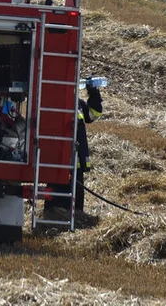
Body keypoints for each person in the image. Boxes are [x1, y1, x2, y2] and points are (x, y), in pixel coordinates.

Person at [44, 79, 103, 226]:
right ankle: (53, 223)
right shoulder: (53, 103)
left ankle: (73, 224)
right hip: (58, 162)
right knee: (56, 197)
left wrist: (94, 91)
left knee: (76, 198)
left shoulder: (78, 104)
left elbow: (93, 114)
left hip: (76, 163)